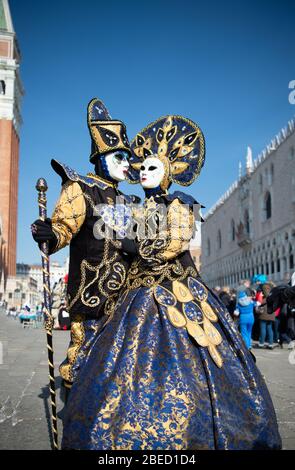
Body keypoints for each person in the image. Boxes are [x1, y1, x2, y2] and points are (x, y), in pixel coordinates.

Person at [61, 114, 281, 450]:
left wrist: (132, 243)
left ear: (167, 173)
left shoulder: (180, 205)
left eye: (153, 169)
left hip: (176, 294)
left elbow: (171, 245)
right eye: (142, 168)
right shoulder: (130, 208)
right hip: (134, 297)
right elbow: (98, 232)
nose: (144, 173)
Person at [31, 98, 139, 394]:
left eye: (127, 158)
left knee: (121, 356)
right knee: (85, 352)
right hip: (92, 289)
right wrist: (49, 235)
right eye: (119, 157)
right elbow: (64, 226)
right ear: (101, 157)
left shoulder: (129, 201)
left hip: (127, 294)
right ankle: (78, 409)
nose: (125, 164)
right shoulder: (81, 187)